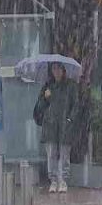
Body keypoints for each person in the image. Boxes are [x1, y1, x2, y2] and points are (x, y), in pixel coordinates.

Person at [34, 62, 80, 193]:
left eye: (59, 68)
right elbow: (39, 107)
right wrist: (45, 97)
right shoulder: (47, 86)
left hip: (65, 125)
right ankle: (53, 181)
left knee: (65, 154)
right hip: (50, 125)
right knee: (51, 154)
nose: (57, 71)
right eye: (54, 68)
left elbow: (75, 104)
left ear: (63, 70)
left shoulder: (70, 86)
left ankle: (63, 180)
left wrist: (70, 119)